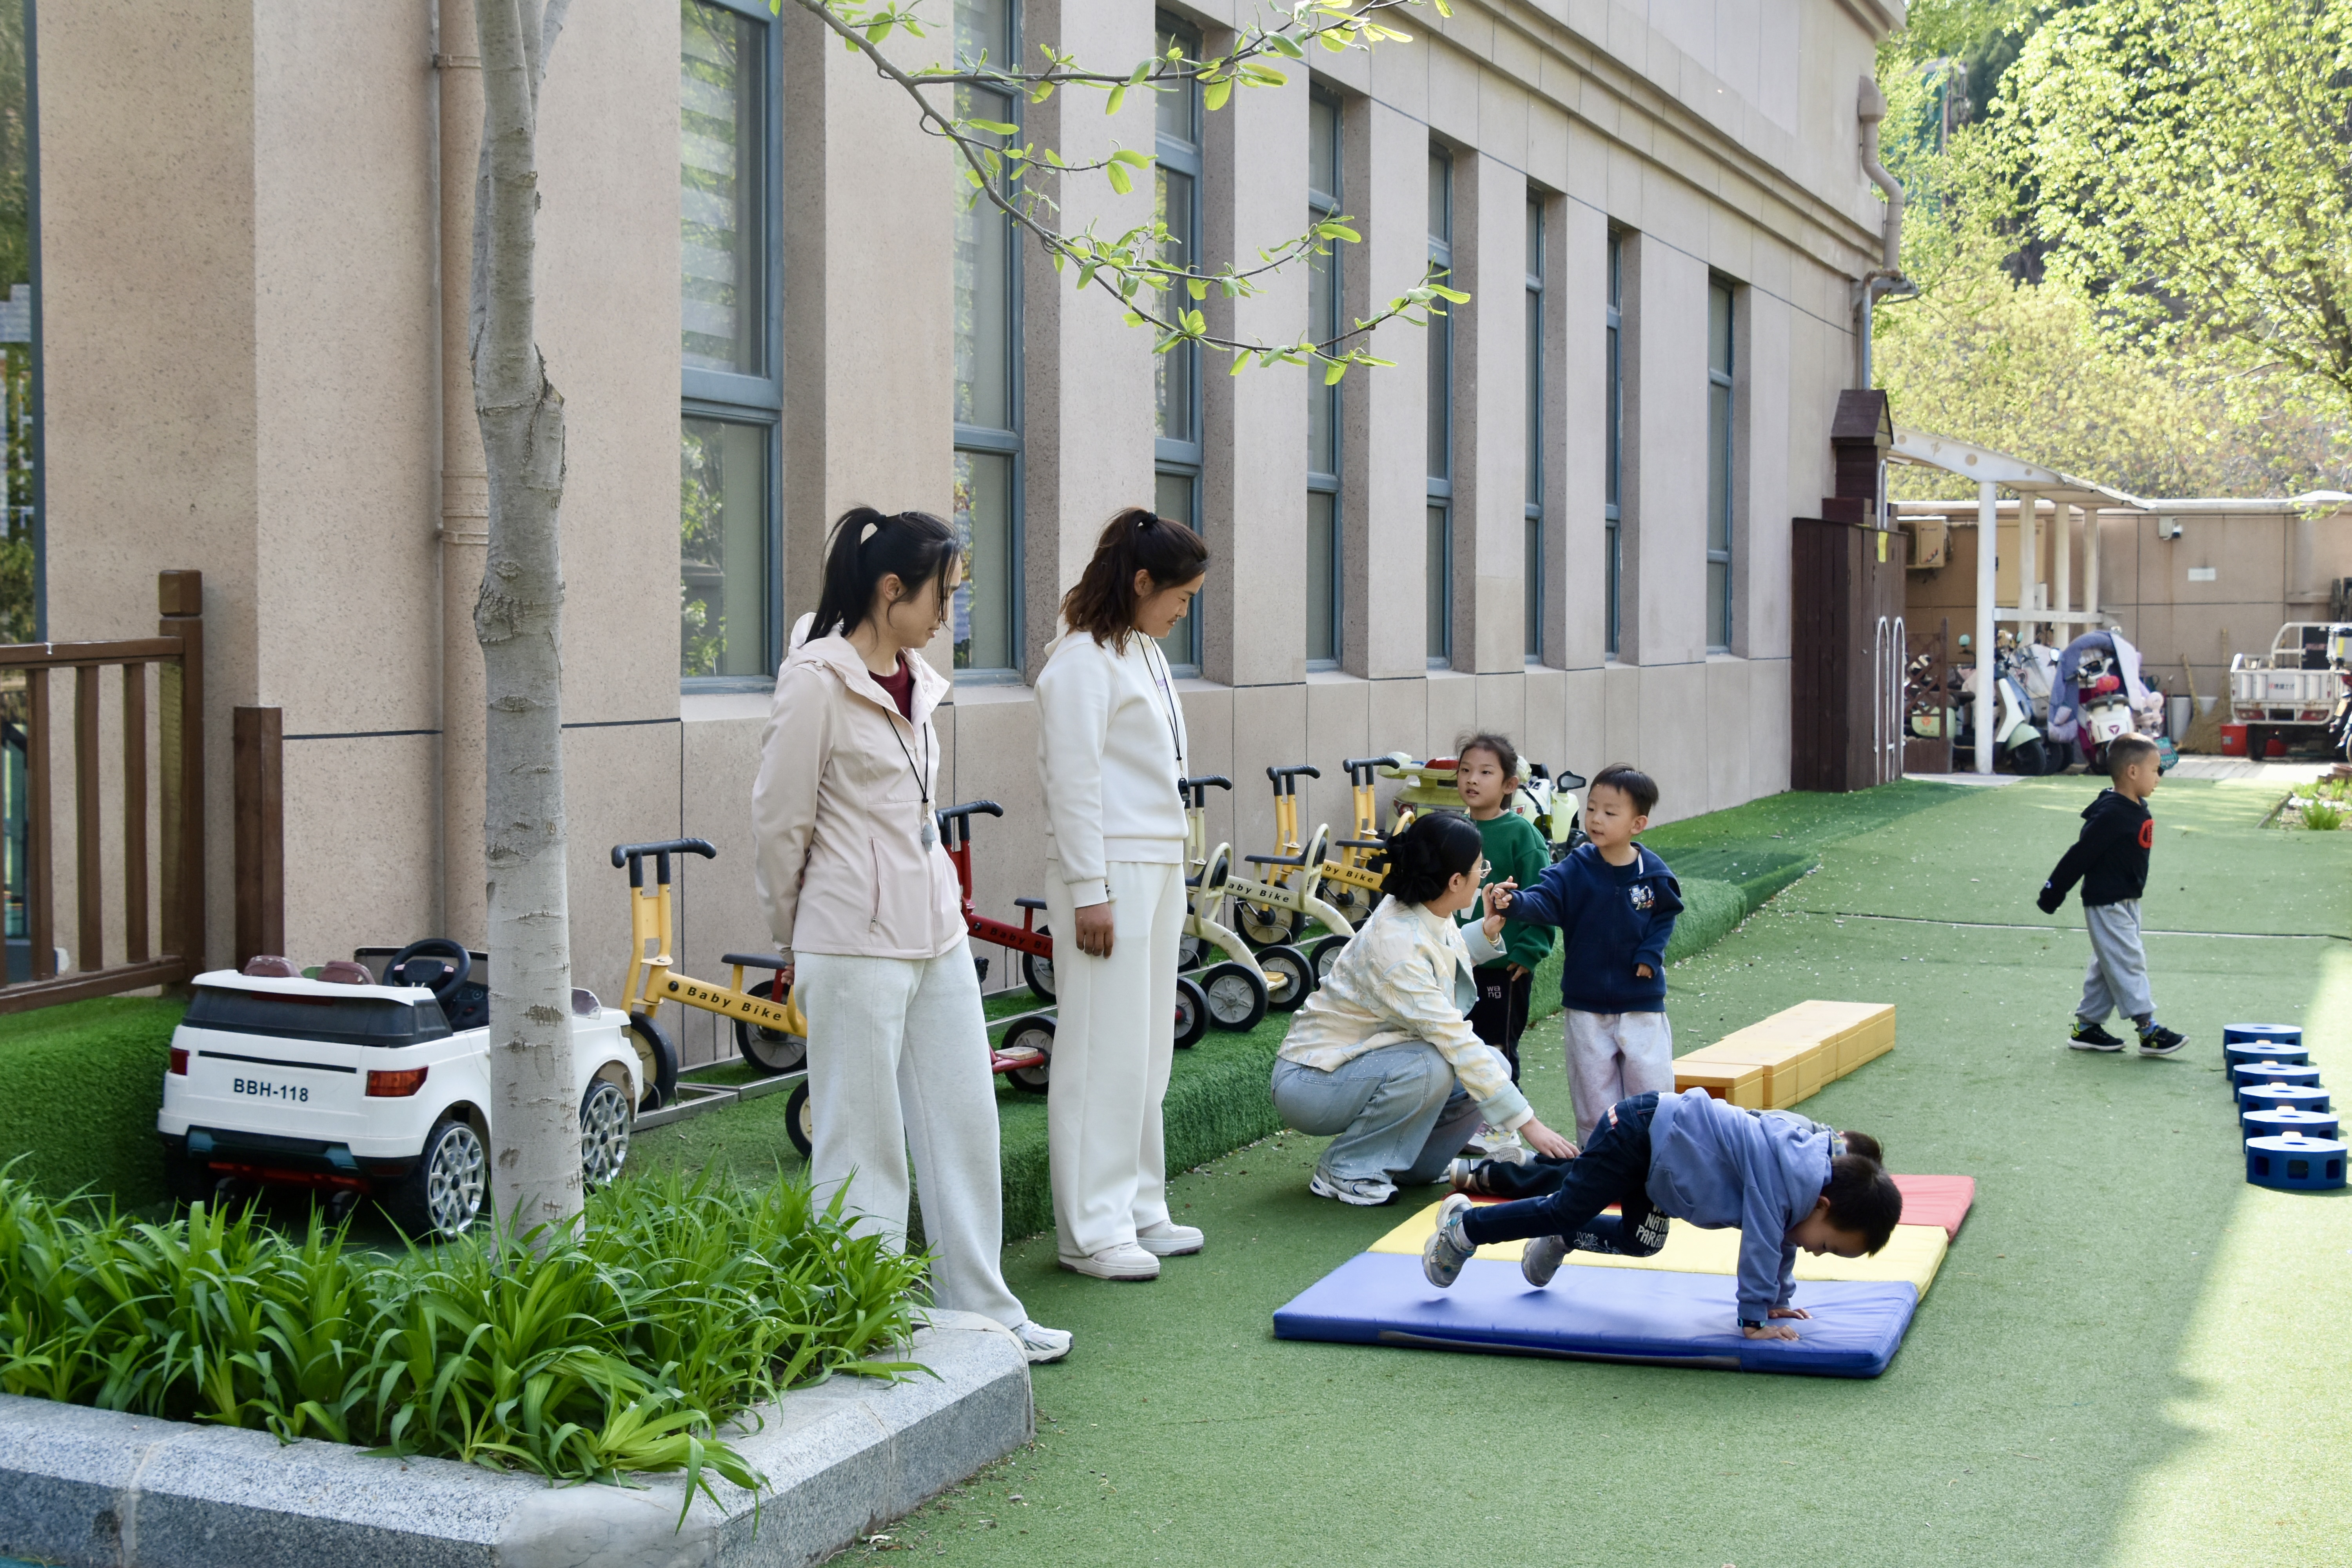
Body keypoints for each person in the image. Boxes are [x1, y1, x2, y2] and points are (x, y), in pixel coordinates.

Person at [751, 506, 1071, 1363]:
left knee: (965, 1121)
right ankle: (863, 1320)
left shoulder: (914, 676)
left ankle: (985, 1310)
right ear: (891, 589)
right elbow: (780, 821)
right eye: (942, 596)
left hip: (932, 931)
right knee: (861, 1139)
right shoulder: (818, 678)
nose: (948, 616)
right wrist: (796, 930)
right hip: (850, 939)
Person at [1034, 507, 1211, 1282]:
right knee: (1100, 1049)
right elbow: (1071, 783)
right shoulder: (1079, 662)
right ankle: (1091, 1230)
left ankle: (1140, 1205)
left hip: (1156, 863)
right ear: (1141, 581)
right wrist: (1089, 889)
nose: (1184, 608)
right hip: (1107, 872)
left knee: (1144, 1048)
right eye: (1180, 594)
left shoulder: (1140, 648)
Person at [1422, 1088, 1903, 1341]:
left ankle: (1566, 1238)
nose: (1814, 1251)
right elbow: (1762, 1241)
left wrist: (1780, 1298)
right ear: (1823, 1205)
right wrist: (1754, 1319)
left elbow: (1782, 1240)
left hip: (1662, 1167)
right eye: (1824, 1244)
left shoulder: (1801, 1188)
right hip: (1641, 1132)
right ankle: (1463, 1229)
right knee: (1566, 1204)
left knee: (1643, 1239)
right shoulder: (1787, 1181)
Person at [1270, 811, 1575, 1206]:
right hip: (1311, 1082)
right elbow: (1451, 1034)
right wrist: (1530, 1125)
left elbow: (1438, 954)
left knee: (1491, 1065)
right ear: (1454, 882)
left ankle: (1407, 1165)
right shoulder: (1396, 942)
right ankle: (1346, 1170)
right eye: (1479, 868)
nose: (1483, 875)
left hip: (1354, 1066)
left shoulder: (1424, 908)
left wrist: (1485, 931)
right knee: (1433, 1061)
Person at [1487, 764, 1682, 1144]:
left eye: (1610, 812)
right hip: (1586, 1006)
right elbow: (1545, 898)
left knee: (1651, 1094)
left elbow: (1665, 914)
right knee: (1594, 1099)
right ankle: (1597, 1169)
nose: (1596, 819)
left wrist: (1651, 953)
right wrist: (1514, 903)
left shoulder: (1652, 873)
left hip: (1642, 1005)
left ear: (1637, 824)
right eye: (1592, 808)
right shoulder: (1576, 867)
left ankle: (1655, 1166)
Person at [2038, 732, 2185, 1055]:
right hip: (2107, 902)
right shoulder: (2111, 814)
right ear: (2132, 772)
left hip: (2128, 900)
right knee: (2129, 960)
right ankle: (2148, 1029)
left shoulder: (2131, 806)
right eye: (2154, 770)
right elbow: (2079, 855)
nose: (2159, 777)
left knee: (2108, 965)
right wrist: (2053, 891)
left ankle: (2087, 1027)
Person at [1449, 734, 1553, 1083]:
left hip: (1502, 969)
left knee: (1496, 1050)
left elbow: (1544, 898)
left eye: (1485, 772)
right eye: (1465, 770)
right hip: (1453, 963)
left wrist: (1529, 952)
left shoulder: (1522, 836)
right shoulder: (1453, 831)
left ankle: (1502, 1126)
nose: (1472, 779)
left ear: (1510, 784)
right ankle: (1461, 1130)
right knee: (1454, 1050)